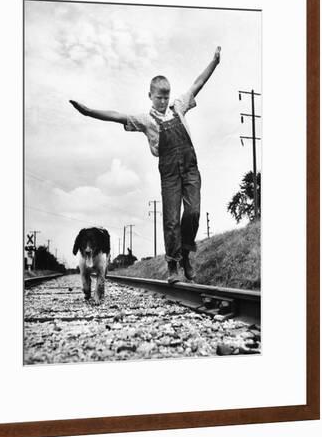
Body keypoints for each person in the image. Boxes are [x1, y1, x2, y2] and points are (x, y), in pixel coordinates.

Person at [70, 46, 221, 283]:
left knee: (193, 212)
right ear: (150, 95)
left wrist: (214, 62)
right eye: (159, 97)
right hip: (169, 172)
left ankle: (185, 253)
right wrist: (89, 112)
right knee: (171, 219)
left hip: (191, 168)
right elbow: (116, 115)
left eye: (166, 96)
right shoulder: (145, 119)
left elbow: (197, 84)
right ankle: (173, 265)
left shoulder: (178, 107)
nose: (163, 101)